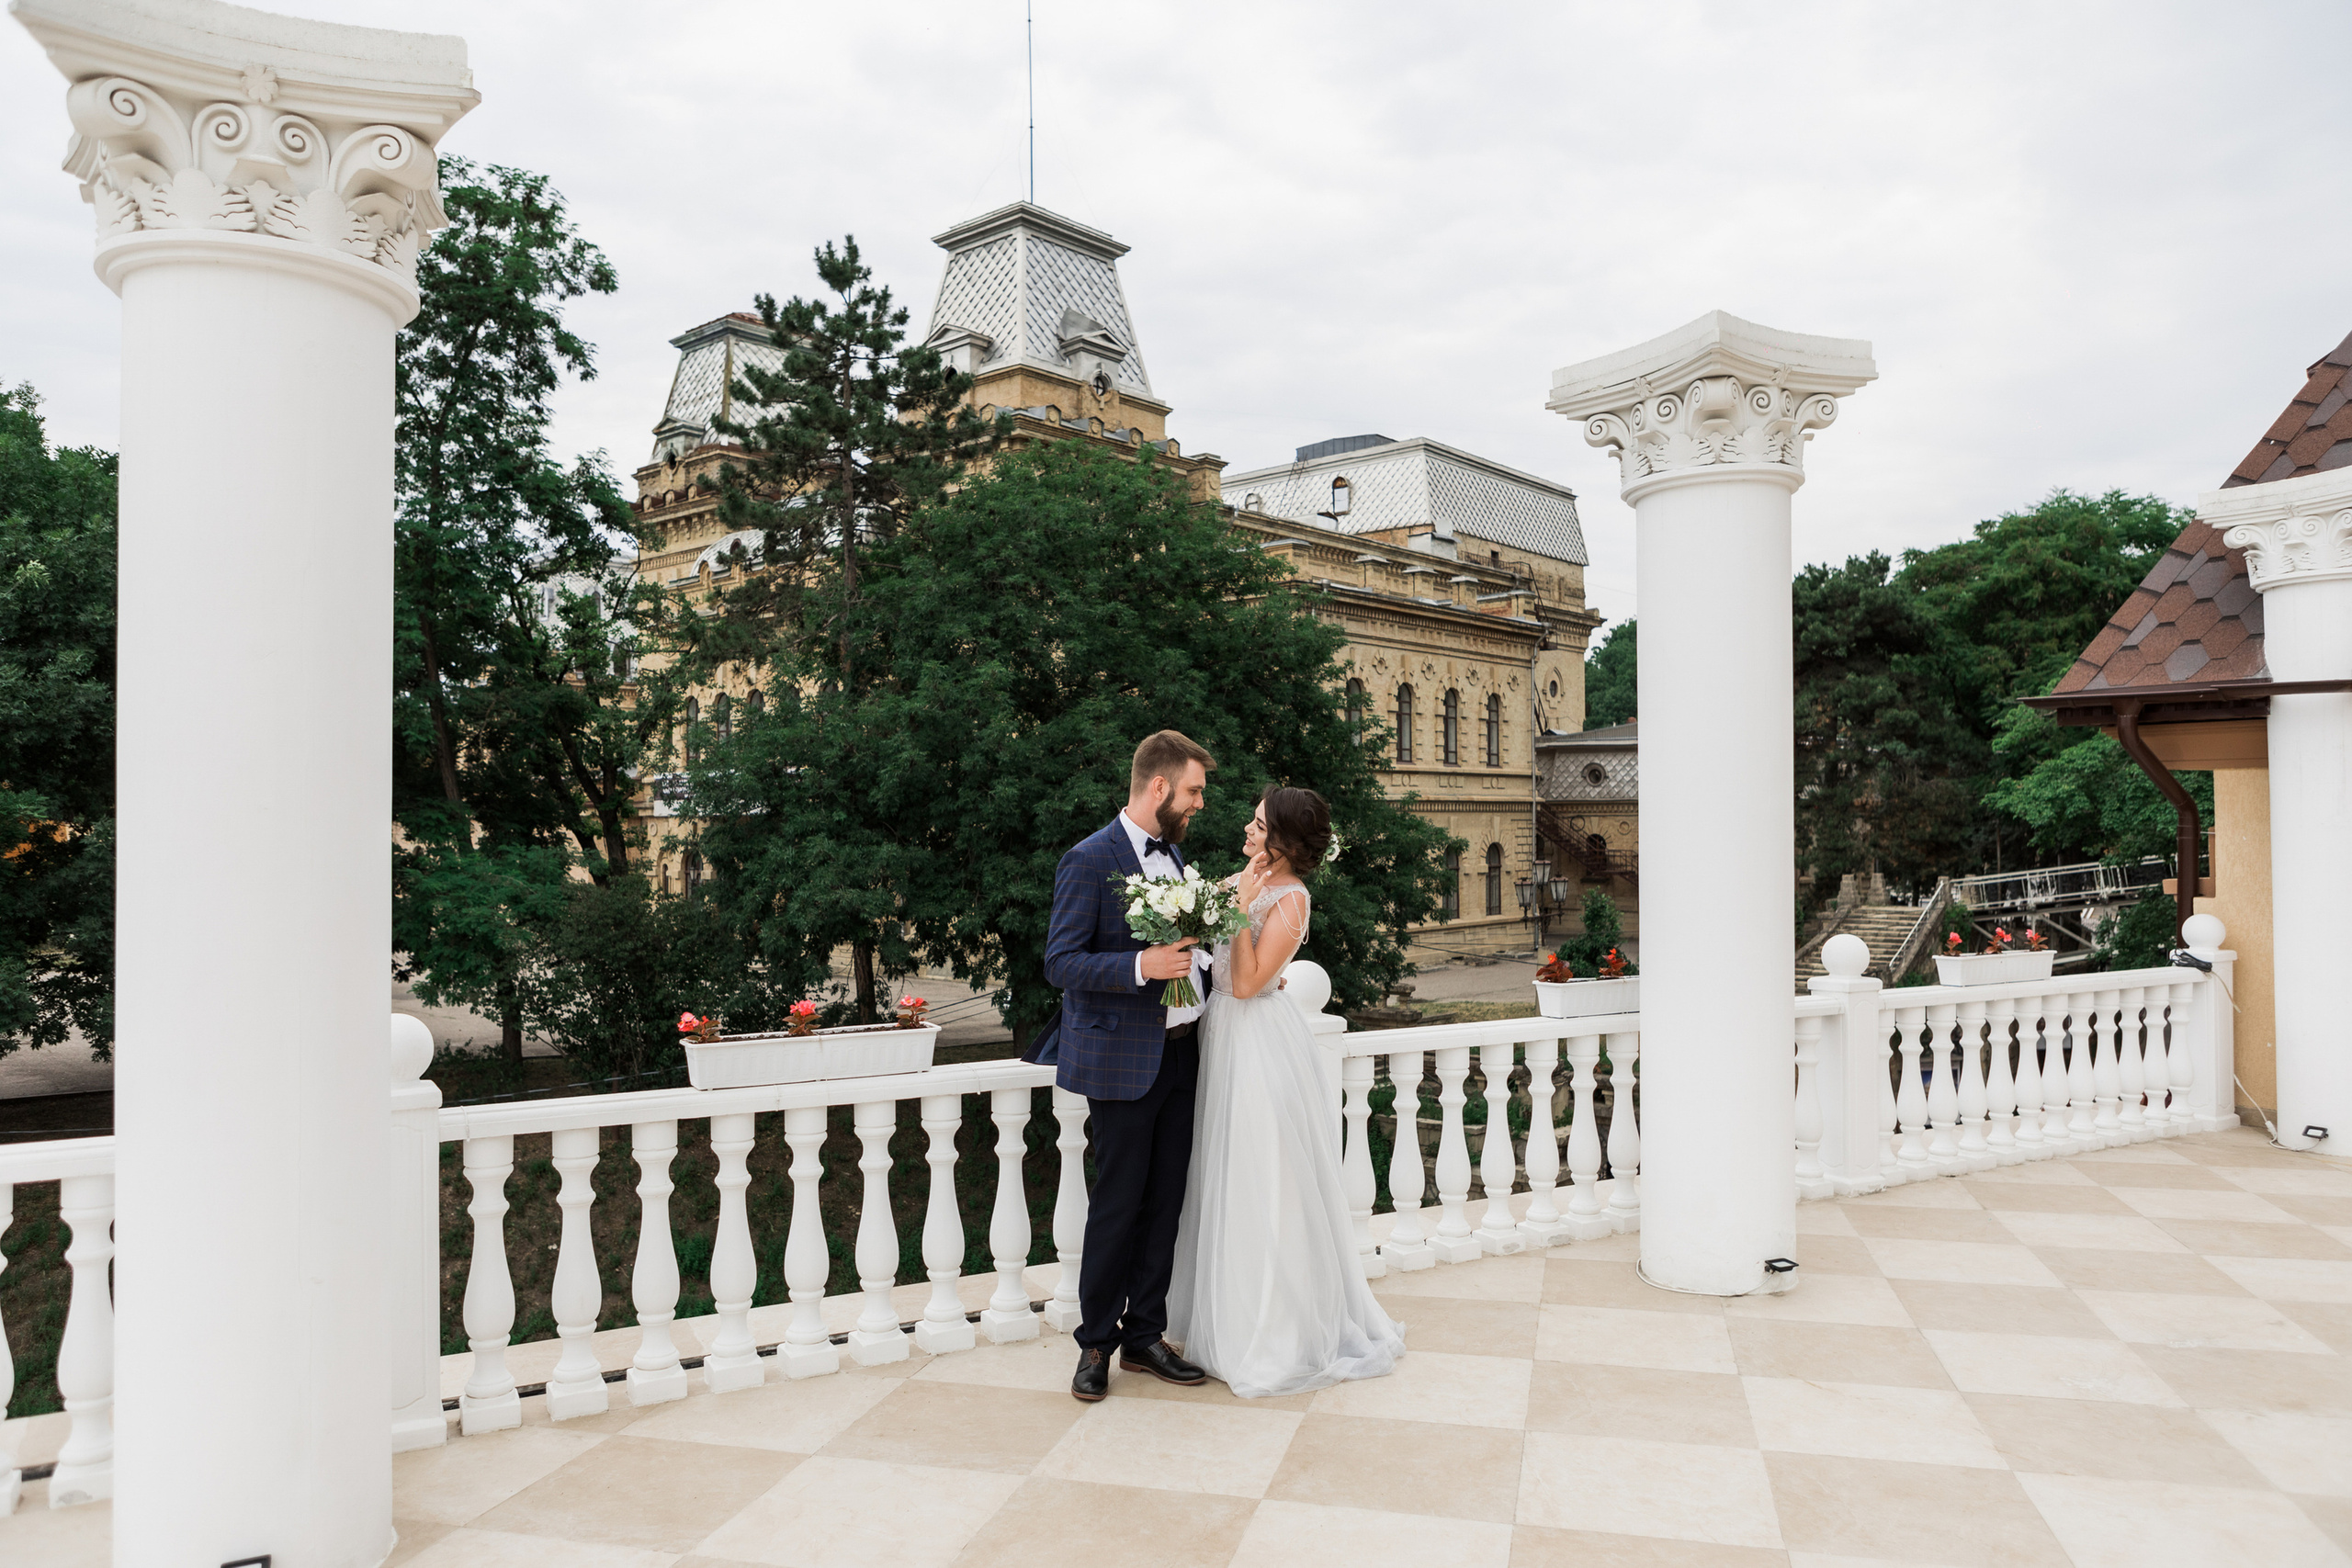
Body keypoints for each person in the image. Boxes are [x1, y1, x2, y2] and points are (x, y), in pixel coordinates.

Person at [1167, 784, 1405, 1397]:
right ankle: (1213, 1315)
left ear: (1285, 840)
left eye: (1258, 823)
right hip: (1218, 1037)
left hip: (1257, 1042)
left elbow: (1246, 982)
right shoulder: (1245, 875)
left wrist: (1244, 909)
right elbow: (1194, 929)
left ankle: (1274, 1329)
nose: (1247, 829)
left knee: (1262, 1177)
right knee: (1219, 1174)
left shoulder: (1292, 899)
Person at [1026, 730, 1219, 1402]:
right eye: (1193, 790)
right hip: (1120, 1061)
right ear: (1160, 786)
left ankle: (1144, 1334)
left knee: (1166, 1200)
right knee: (1117, 1203)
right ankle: (1095, 1345)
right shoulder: (1087, 859)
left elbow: (1192, 954)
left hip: (1183, 1053)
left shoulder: (1176, 857)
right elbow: (1061, 961)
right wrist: (1142, 966)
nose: (1199, 803)